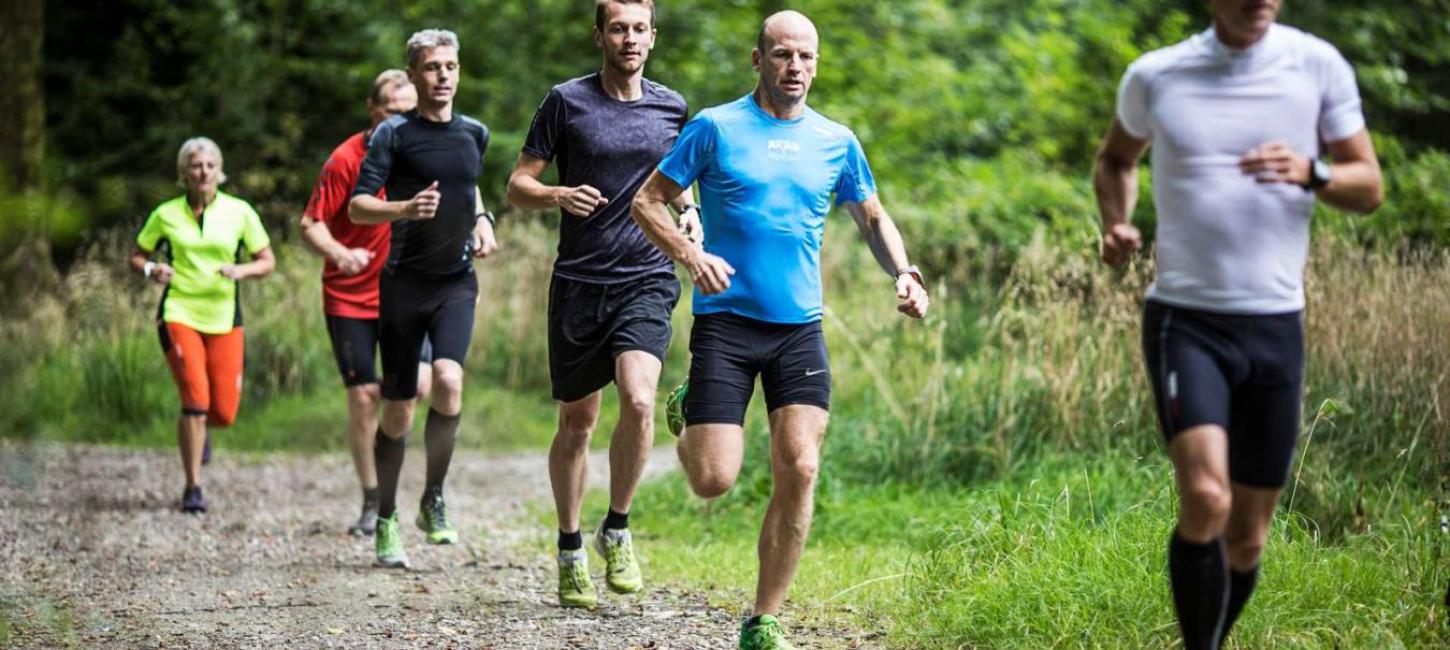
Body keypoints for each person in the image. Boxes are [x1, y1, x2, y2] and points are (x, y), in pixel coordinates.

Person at [631, 11, 929, 649]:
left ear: (817, 64)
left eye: (807, 58)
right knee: (713, 480)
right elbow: (647, 200)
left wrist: (904, 273)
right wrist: (691, 257)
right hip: (726, 324)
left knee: (802, 464)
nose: (795, 68)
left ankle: (763, 620)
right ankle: (690, 409)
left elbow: (873, 218)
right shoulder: (715, 127)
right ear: (759, 59)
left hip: (798, 328)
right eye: (783, 55)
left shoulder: (836, 141)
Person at [1093, 2, 1382, 648]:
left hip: (1275, 325)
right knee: (1205, 495)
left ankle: (1212, 635)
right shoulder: (1156, 75)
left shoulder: (1316, 66)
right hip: (1185, 319)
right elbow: (1115, 160)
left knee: (1248, 536)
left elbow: (1369, 186)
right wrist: (1116, 223)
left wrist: (1314, 171)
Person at [505, 0, 698, 608]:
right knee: (577, 422)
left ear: (653, 36)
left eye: (640, 28)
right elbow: (518, 184)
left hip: (646, 277)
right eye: (619, 28)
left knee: (640, 400)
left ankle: (617, 526)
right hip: (580, 282)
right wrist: (556, 192)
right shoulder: (566, 101)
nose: (630, 38)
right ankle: (568, 546)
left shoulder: (672, 107)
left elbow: (679, 182)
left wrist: (689, 215)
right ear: (600, 36)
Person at [349, 28, 497, 568]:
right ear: (413, 75)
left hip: (456, 281)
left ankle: (433, 498)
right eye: (432, 67)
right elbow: (359, 207)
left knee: (451, 381)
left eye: (451, 67)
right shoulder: (392, 135)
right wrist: (404, 210)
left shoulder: (474, 133)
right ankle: (387, 515)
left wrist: (482, 221)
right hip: (404, 283)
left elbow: (467, 186)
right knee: (400, 404)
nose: (443, 76)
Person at [300, 70, 438, 537]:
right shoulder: (345, 159)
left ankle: (389, 462)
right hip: (351, 296)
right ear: (372, 109)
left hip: (407, 292)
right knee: (362, 396)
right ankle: (372, 496)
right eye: (392, 112)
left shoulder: (422, 154)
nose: (401, 121)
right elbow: (311, 224)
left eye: (408, 112)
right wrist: (340, 253)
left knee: (418, 385)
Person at [129, 137, 276, 514]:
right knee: (195, 399)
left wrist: (240, 269)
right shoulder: (166, 214)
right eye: (195, 166)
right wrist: (151, 269)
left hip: (225, 316)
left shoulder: (240, 212)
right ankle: (193, 487)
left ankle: (202, 429)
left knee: (222, 411)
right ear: (184, 173)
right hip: (179, 312)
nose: (203, 172)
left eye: (210, 165)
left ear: (219, 171)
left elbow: (266, 261)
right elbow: (137, 256)